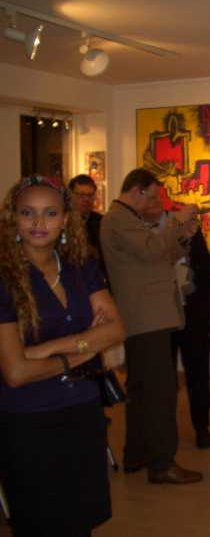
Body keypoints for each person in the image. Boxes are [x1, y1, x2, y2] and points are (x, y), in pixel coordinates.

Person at [0, 175, 126, 536]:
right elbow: (16, 373)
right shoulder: (4, 277)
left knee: (81, 521)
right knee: (40, 523)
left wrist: (48, 349)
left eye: (50, 213)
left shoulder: (80, 265)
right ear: (13, 218)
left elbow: (116, 330)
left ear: (65, 219)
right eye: (28, 213)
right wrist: (85, 348)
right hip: (29, 419)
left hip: (82, 410)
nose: (39, 222)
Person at [100, 168, 203, 485]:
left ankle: (137, 454)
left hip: (148, 316)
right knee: (160, 392)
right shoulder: (118, 218)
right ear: (137, 190)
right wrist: (175, 221)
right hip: (145, 317)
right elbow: (153, 249)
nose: (155, 202)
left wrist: (185, 233)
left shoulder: (128, 219)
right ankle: (162, 463)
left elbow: (164, 255)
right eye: (153, 195)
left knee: (143, 389)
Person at [142, 190, 210, 450]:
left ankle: (202, 427)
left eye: (157, 198)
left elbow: (206, 272)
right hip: (161, 316)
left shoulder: (192, 232)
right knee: (164, 377)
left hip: (194, 316)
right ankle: (165, 429)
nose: (154, 203)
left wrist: (201, 305)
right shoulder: (146, 235)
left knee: (198, 373)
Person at [68, 174, 108, 283]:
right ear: (70, 195)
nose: (86, 199)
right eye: (81, 195)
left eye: (90, 195)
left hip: (94, 279)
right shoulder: (61, 221)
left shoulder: (102, 222)